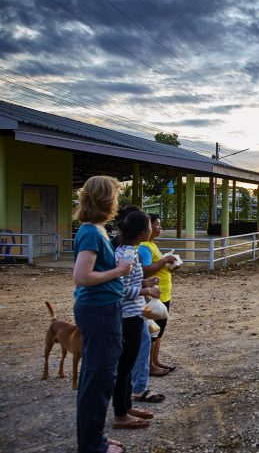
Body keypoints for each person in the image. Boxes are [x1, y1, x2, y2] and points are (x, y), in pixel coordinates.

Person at [72, 175, 131, 453]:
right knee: (99, 377)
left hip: (102, 309)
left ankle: (95, 438)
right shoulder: (92, 233)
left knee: (98, 375)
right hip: (100, 311)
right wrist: (119, 271)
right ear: (105, 200)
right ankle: (92, 444)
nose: (116, 202)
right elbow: (82, 276)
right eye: (115, 196)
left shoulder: (94, 230)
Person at [111, 210, 160, 429]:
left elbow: (128, 282)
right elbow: (118, 289)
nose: (153, 227)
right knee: (125, 366)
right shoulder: (129, 254)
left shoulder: (125, 250)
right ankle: (120, 414)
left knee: (127, 365)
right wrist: (143, 292)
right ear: (143, 231)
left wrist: (145, 285)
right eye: (150, 224)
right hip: (128, 315)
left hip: (132, 314)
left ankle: (126, 405)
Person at [138, 213, 178, 376]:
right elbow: (146, 269)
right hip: (154, 294)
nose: (159, 228)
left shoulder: (152, 245)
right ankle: (150, 365)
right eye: (156, 224)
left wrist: (171, 264)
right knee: (152, 331)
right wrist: (164, 260)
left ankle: (155, 360)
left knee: (160, 329)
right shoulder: (144, 246)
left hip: (163, 293)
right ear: (148, 226)